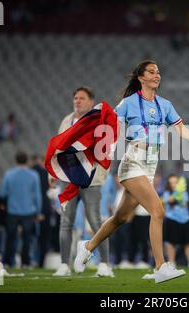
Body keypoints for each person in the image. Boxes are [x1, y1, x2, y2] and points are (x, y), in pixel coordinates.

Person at [74, 60, 189, 283]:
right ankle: (160, 266)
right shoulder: (128, 103)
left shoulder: (165, 105)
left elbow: (182, 131)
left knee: (120, 218)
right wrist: (96, 151)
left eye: (158, 72)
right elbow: (109, 129)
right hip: (132, 163)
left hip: (149, 167)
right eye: (152, 72)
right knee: (158, 211)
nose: (157, 75)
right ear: (141, 77)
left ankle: (87, 246)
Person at [52, 86, 114, 277]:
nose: (77, 101)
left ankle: (104, 264)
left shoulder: (99, 122)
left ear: (91, 102)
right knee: (66, 222)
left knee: (96, 222)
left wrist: (101, 175)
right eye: (75, 98)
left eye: (81, 98)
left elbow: (106, 150)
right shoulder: (67, 120)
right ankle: (64, 264)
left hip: (91, 180)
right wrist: (53, 173)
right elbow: (57, 147)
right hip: (69, 180)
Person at [0, 151, 42, 268]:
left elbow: (3, 193)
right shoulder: (33, 175)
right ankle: (25, 262)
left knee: (10, 237)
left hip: (12, 211)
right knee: (27, 239)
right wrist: (38, 211)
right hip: (28, 211)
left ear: (16, 160)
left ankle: (8, 261)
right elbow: (37, 195)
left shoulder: (9, 174)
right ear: (27, 160)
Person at [163, 175, 189, 269]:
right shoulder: (167, 193)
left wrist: (179, 192)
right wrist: (176, 193)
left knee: (188, 242)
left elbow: (184, 202)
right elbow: (169, 200)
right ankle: (172, 263)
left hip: (185, 220)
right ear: (168, 184)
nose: (173, 184)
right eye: (171, 182)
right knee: (170, 243)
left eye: (175, 182)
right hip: (172, 220)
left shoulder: (184, 193)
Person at [31, 155, 52, 268]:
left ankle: (30, 260)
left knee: (32, 236)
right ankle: (40, 262)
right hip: (45, 209)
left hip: (30, 209)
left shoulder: (30, 173)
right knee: (43, 238)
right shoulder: (46, 173)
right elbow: (51, 188)